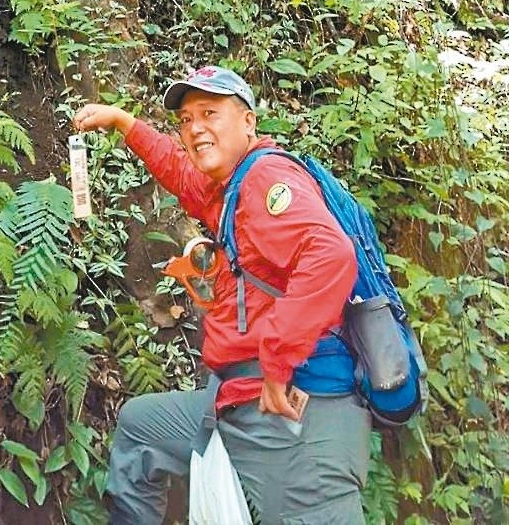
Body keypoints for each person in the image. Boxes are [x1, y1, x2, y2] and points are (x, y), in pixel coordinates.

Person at [73, 65, 371, 525]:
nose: (194, 128)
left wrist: (276, 360)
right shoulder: (228, 188)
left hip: (298, 411)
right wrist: (123, 122)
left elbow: (330, 255)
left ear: (248, 121)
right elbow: (180, 172)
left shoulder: (265, 181)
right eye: (186, 119)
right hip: (240, 399)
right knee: (141, 427)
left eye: (210, 112)